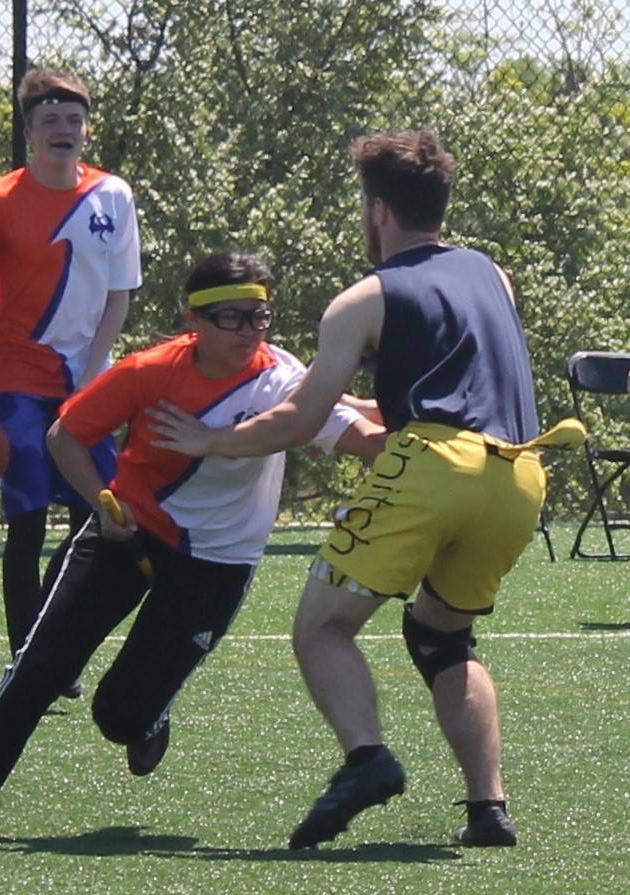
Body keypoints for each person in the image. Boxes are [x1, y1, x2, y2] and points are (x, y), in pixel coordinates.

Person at [149, 131, 581, 849]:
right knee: (442, 635)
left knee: (321, 626)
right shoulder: (493, 274)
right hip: (520, 472)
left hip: (434, 464)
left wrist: (210, 439)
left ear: (377, 210)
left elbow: (300, 418)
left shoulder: (362, 299)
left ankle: (366, 756)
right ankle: (487, 807)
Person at [0, 250, 386, 840]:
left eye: (259, 317)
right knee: (40, 666)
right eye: (232, 318)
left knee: (118, 716)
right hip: (129, 531)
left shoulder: (282, 382)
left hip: (216, 564)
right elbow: (66, 435)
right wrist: (102, 503)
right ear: (193, 317)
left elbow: (367, 441)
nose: (249, 332)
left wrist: (441, 424)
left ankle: (148, 715)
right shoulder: (151, 370)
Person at [0, 68, 142, 676]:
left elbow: (119, 296)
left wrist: (95, 367)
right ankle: (28, 659)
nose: (63, 129)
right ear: (30, 133)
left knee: (97, 515)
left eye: (73, 120)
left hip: (84, 373)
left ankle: (56, 645)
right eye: (50, 120)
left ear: (87, 129)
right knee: (27, 516)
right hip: (14, 368)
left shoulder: (114, 196)